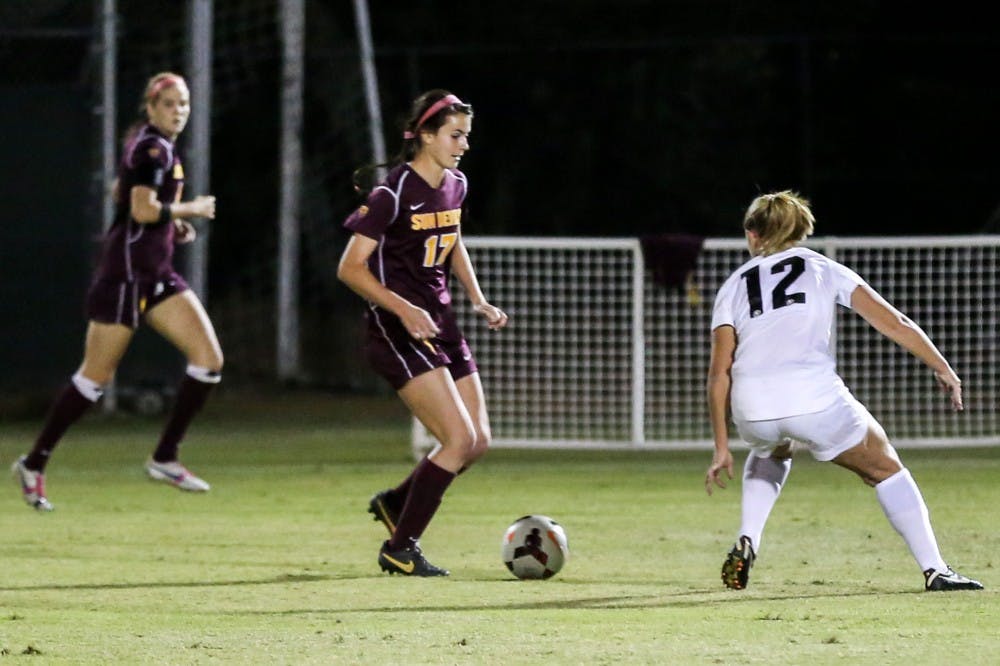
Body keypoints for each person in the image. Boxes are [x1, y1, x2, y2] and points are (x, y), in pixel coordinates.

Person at [704, 190, 983, 592]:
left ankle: (749, 537)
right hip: (813, 400)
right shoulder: (821, 267)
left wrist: (721, 447)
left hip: (751, 408)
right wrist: (942, 367)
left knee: (770, 447)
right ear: (801, 231)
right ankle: (935, 569)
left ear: (752, 234)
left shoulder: (731, 287)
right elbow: (895, 322)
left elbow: (718, 374)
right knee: (886, 469)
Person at [12, 72, 223, 511]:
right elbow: (142, 208)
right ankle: (34, 463)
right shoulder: (151, 148)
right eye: (169, 104)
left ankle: (165, 456)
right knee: (94, 380)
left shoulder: (156, 145)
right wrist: (192, 209)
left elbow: (123, 194)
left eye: (183, 103)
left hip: (155, 272)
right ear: (150, 107)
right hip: (125, 275)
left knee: (208, 360)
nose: (178, 110)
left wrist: (171, 224)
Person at [337, 89, 507, 576]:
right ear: (426, 136)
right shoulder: (390, 193)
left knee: (476, 443)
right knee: (456, 437)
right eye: (455, 136)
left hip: (442, 322)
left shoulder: (456, 183)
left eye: (467, 137)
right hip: (397, 328)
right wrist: (403, 307)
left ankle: (396, 502)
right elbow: (350, 268)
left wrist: (476, 298)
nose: (463, 145)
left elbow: (452, 241)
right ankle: (400, 547)